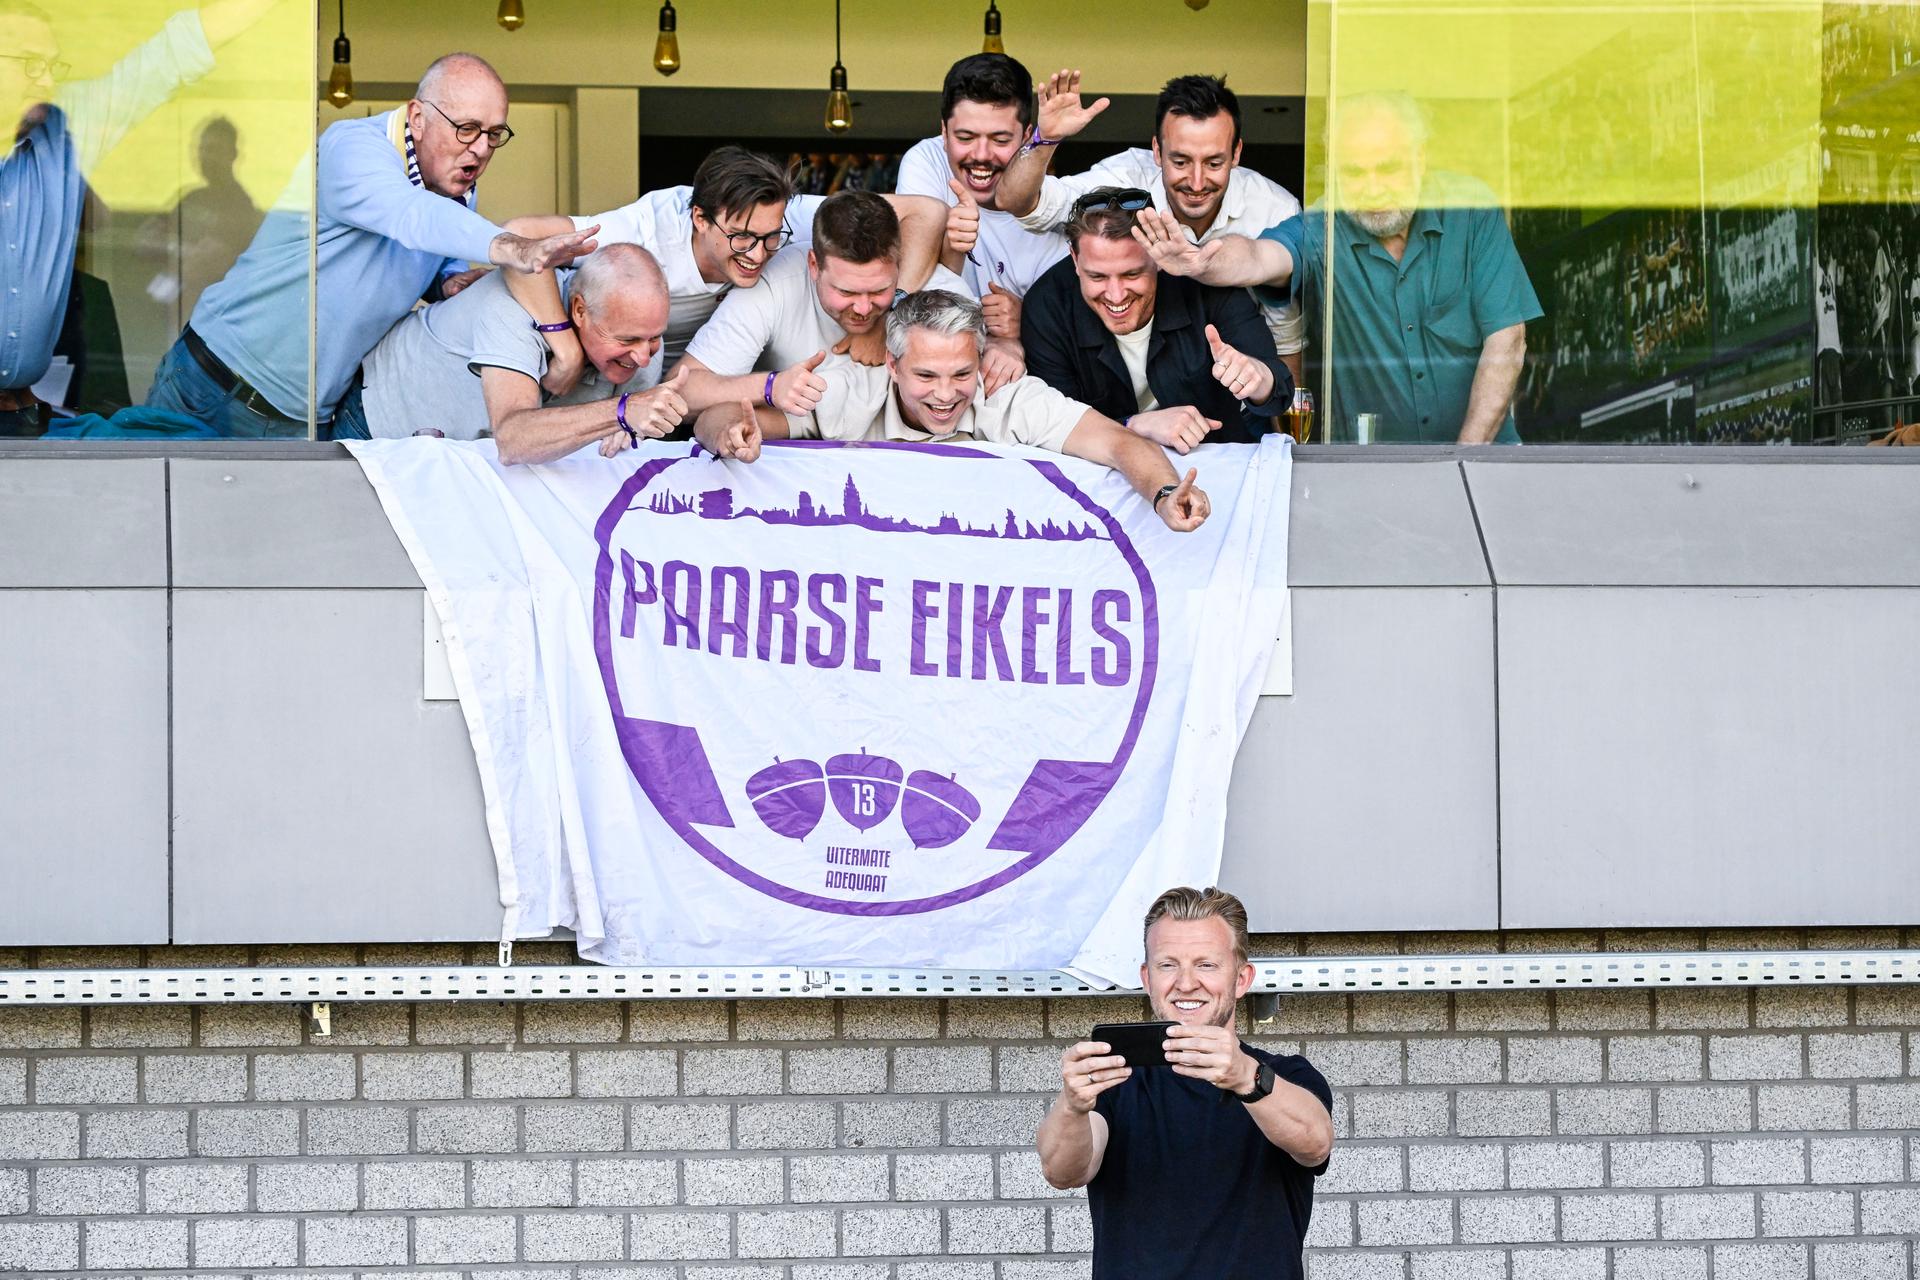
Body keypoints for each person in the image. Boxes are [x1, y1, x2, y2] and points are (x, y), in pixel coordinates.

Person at [145, 52, 592, 438]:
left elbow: (436, 252)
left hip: (304, 422)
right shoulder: (351, 147)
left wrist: (451, 282)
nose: (480, 149)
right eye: (467, 129)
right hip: (211, 385)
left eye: (494, 134)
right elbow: (407, 216)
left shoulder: (454, 187)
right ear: (417, 116)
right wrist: (514, 247)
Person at [1135, 92, 1542, 445]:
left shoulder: (1470, 211)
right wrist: (1199, 261)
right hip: (1372, 473)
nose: (1372, 187)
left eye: (1388, 167)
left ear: (1420, 158)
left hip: (1484, 459)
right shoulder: (1325, 226)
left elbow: (1507, 340)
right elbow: (1259, 256)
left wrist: (1465, 459)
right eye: (1354, 172)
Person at [694, 289, 1211, 535]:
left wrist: (1165, 494)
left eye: (961, 374)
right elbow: (719, 419)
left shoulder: (1007, 395)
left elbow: (1120, 443)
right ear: (892, 366)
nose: (946, 394)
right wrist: (730, 434)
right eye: (926, 376)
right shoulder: (849, 389)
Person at [0, 0, 278, 435]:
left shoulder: (65, 130)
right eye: (33, 65)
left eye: (54, 66)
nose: (49, 80)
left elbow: (171, 55)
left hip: (23, 415)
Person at [1036, 885, 1333, 1280]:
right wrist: (1072, 1105)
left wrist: (1246, 1077)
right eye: (1168, 965)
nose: (1186, 983)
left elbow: (1315, 1144)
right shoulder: (1114, 1082)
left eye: (1206, 965)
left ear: (1241, 979)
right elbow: (1063, 1172)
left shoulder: (1286, 1076)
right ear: (1147, 978)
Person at [503, 146, 947, 380]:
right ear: (699, 218)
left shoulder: (782, 215)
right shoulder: (644, 230)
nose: (758, 254)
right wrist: (561, 342)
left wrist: (889, 316)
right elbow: (520, 231)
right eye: (741, 238)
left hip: (699, 380)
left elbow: (926, 211)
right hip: (602, 368)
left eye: (772, 238)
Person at [994, 72, 1307, 383]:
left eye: (1213, 163)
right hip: (1129, 385)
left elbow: (1285, 337)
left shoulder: (1275, 209)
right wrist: (1045, 140)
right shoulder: (1124, 180)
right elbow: (1018, 201)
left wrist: (1289, 430)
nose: (1197, 183)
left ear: (1236, 153)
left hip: (1238, 386)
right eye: (1181, 161)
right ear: (1157, 151)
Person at [340, 244, 682, 465]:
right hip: (380, 423)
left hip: (469, 458)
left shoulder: (642, 335)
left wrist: (627, 429)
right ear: (580, 311)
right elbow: (514, 438)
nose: (644, 358)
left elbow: (617, 438)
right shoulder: (510, 310)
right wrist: (621, 412)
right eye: (628, 339)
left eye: (655, 338)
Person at [674, 189, 994, 417]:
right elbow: (682, 393)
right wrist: (771, 386)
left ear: (901, 262)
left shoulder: (945, 294)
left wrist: (893, 314)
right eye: (847, 293)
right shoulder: (774, 283)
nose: (864, 308)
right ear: (814, 265)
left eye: (879, 290)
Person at [1021, 188, 1289, 450]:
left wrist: (1256, 378)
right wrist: (1133, 425)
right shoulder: (1048, 305)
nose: (1115, 295)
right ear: (1075, 259)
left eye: (1131, 275)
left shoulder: (1206, 281)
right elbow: (1054, 429)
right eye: (1097, 277)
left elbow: (1280, 389)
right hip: (1096, 472)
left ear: (1158, 257)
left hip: (1216, 461)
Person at [893, 53, 1069, 339]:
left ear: (1027, 136)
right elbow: (911, 282)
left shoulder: (1048, 217)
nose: (981, 155)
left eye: (1000, 140)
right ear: (944, 132)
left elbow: (1070, 326)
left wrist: (1028, 320)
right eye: (965, 138)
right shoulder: (926, 160)